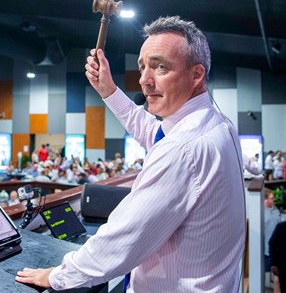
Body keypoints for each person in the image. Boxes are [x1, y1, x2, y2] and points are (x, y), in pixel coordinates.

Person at [16, 16, 245, 292]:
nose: (144, 80)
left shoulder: (184, 149)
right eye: (142, 67)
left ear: (196, 75)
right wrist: (109, 91)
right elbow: (154, 132)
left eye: (160, 67)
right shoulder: (216, 123)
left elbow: (123, 240)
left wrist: (56, 276)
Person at [264, 189, 281, 283]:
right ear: (265, 199)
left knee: (276, 276)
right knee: (265, 275)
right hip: (265, 250)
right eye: (271, 198)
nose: (273, 200)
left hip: (277, 249)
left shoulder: (275, 209)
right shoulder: (260, 212)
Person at [269, 221, 286, 292]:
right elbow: (272, 244)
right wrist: (273, 263)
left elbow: (272, 244)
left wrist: (274, 263)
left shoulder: (281, 226)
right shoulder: (281, 226)